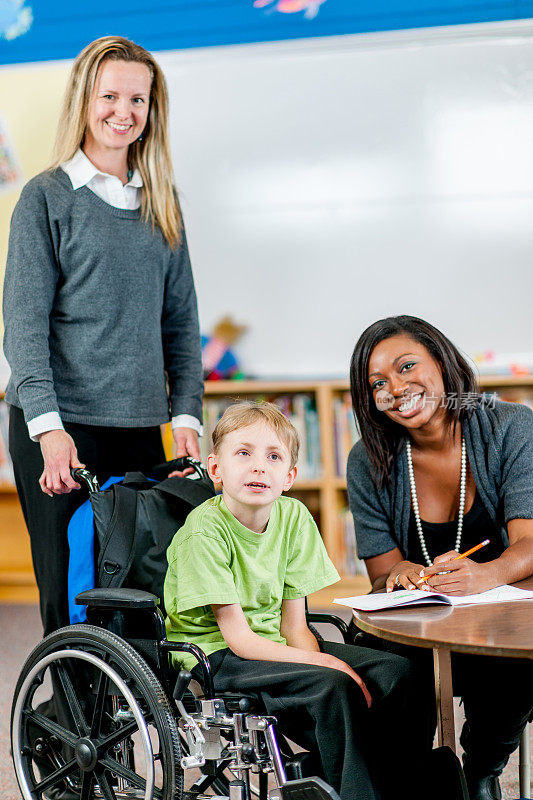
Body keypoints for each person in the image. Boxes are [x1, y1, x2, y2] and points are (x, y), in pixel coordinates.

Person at [3, 36, 204, 638]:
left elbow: (182, 325)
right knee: (71, 591)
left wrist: (187, 417)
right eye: (109, 95)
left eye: (137, 99)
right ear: (84, 101)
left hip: (141, 429)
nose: (124, 111)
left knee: (143, 589)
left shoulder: (162, 202)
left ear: (152, 109)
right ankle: (66, 729)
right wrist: (49, 430)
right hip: (64, 428)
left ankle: (128, 721)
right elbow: (24, 325)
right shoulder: (45, 198)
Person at [164, 401, 431, 800]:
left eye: (273, 456)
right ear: (215, 469)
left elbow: (294, 626)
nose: (259, 467)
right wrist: (328, 664)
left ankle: (398, 782)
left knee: (402, 673)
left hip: (273, 641)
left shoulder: (295, 518)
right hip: (217, 654)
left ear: (289, 476)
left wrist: (325, 663)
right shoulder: (204, 532)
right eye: (243, 453)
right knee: (333, 685)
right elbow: (240, 641)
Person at [347, 315, 533, 800]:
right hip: (424, 629)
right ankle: (421, 780)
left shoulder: (513, 427)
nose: (397, 388)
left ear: (443, 362)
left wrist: (486, 575)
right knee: (387, 668)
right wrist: (401, 572)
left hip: (507, 620)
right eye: (378, 384)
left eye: (408, 366)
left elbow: (531, 545)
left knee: (517, 663)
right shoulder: (367, 459)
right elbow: (382, 570)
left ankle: (483, 769)